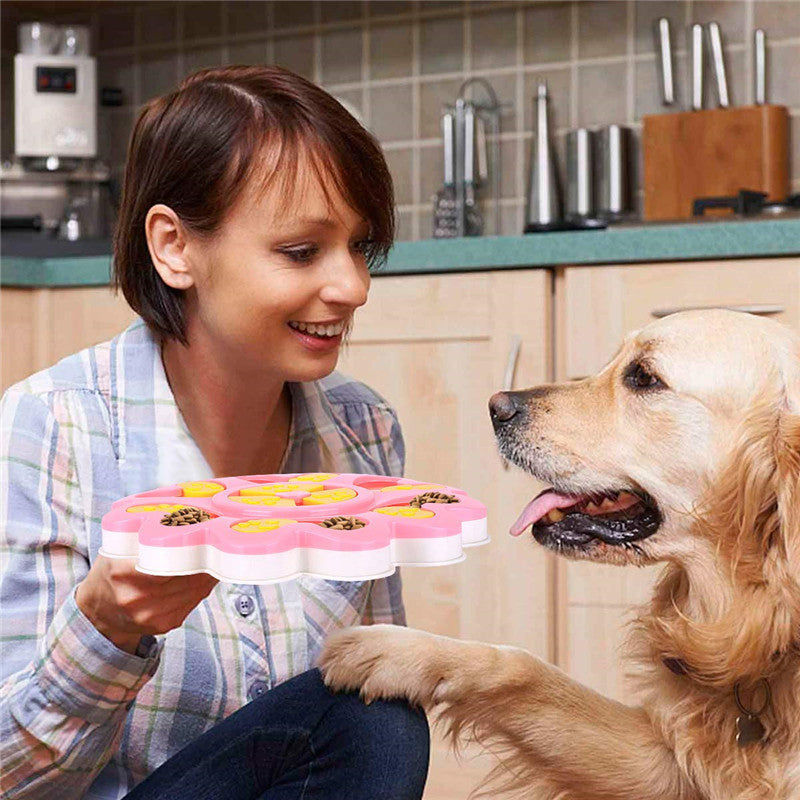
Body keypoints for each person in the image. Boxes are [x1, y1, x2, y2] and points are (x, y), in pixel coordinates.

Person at [0, 65, 429, 800]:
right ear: (174, 247)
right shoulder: (49, 431)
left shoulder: (363, 430)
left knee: (379, 705)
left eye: (360, 247)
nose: (353, 286)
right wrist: (105, 630)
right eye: (301, 251)